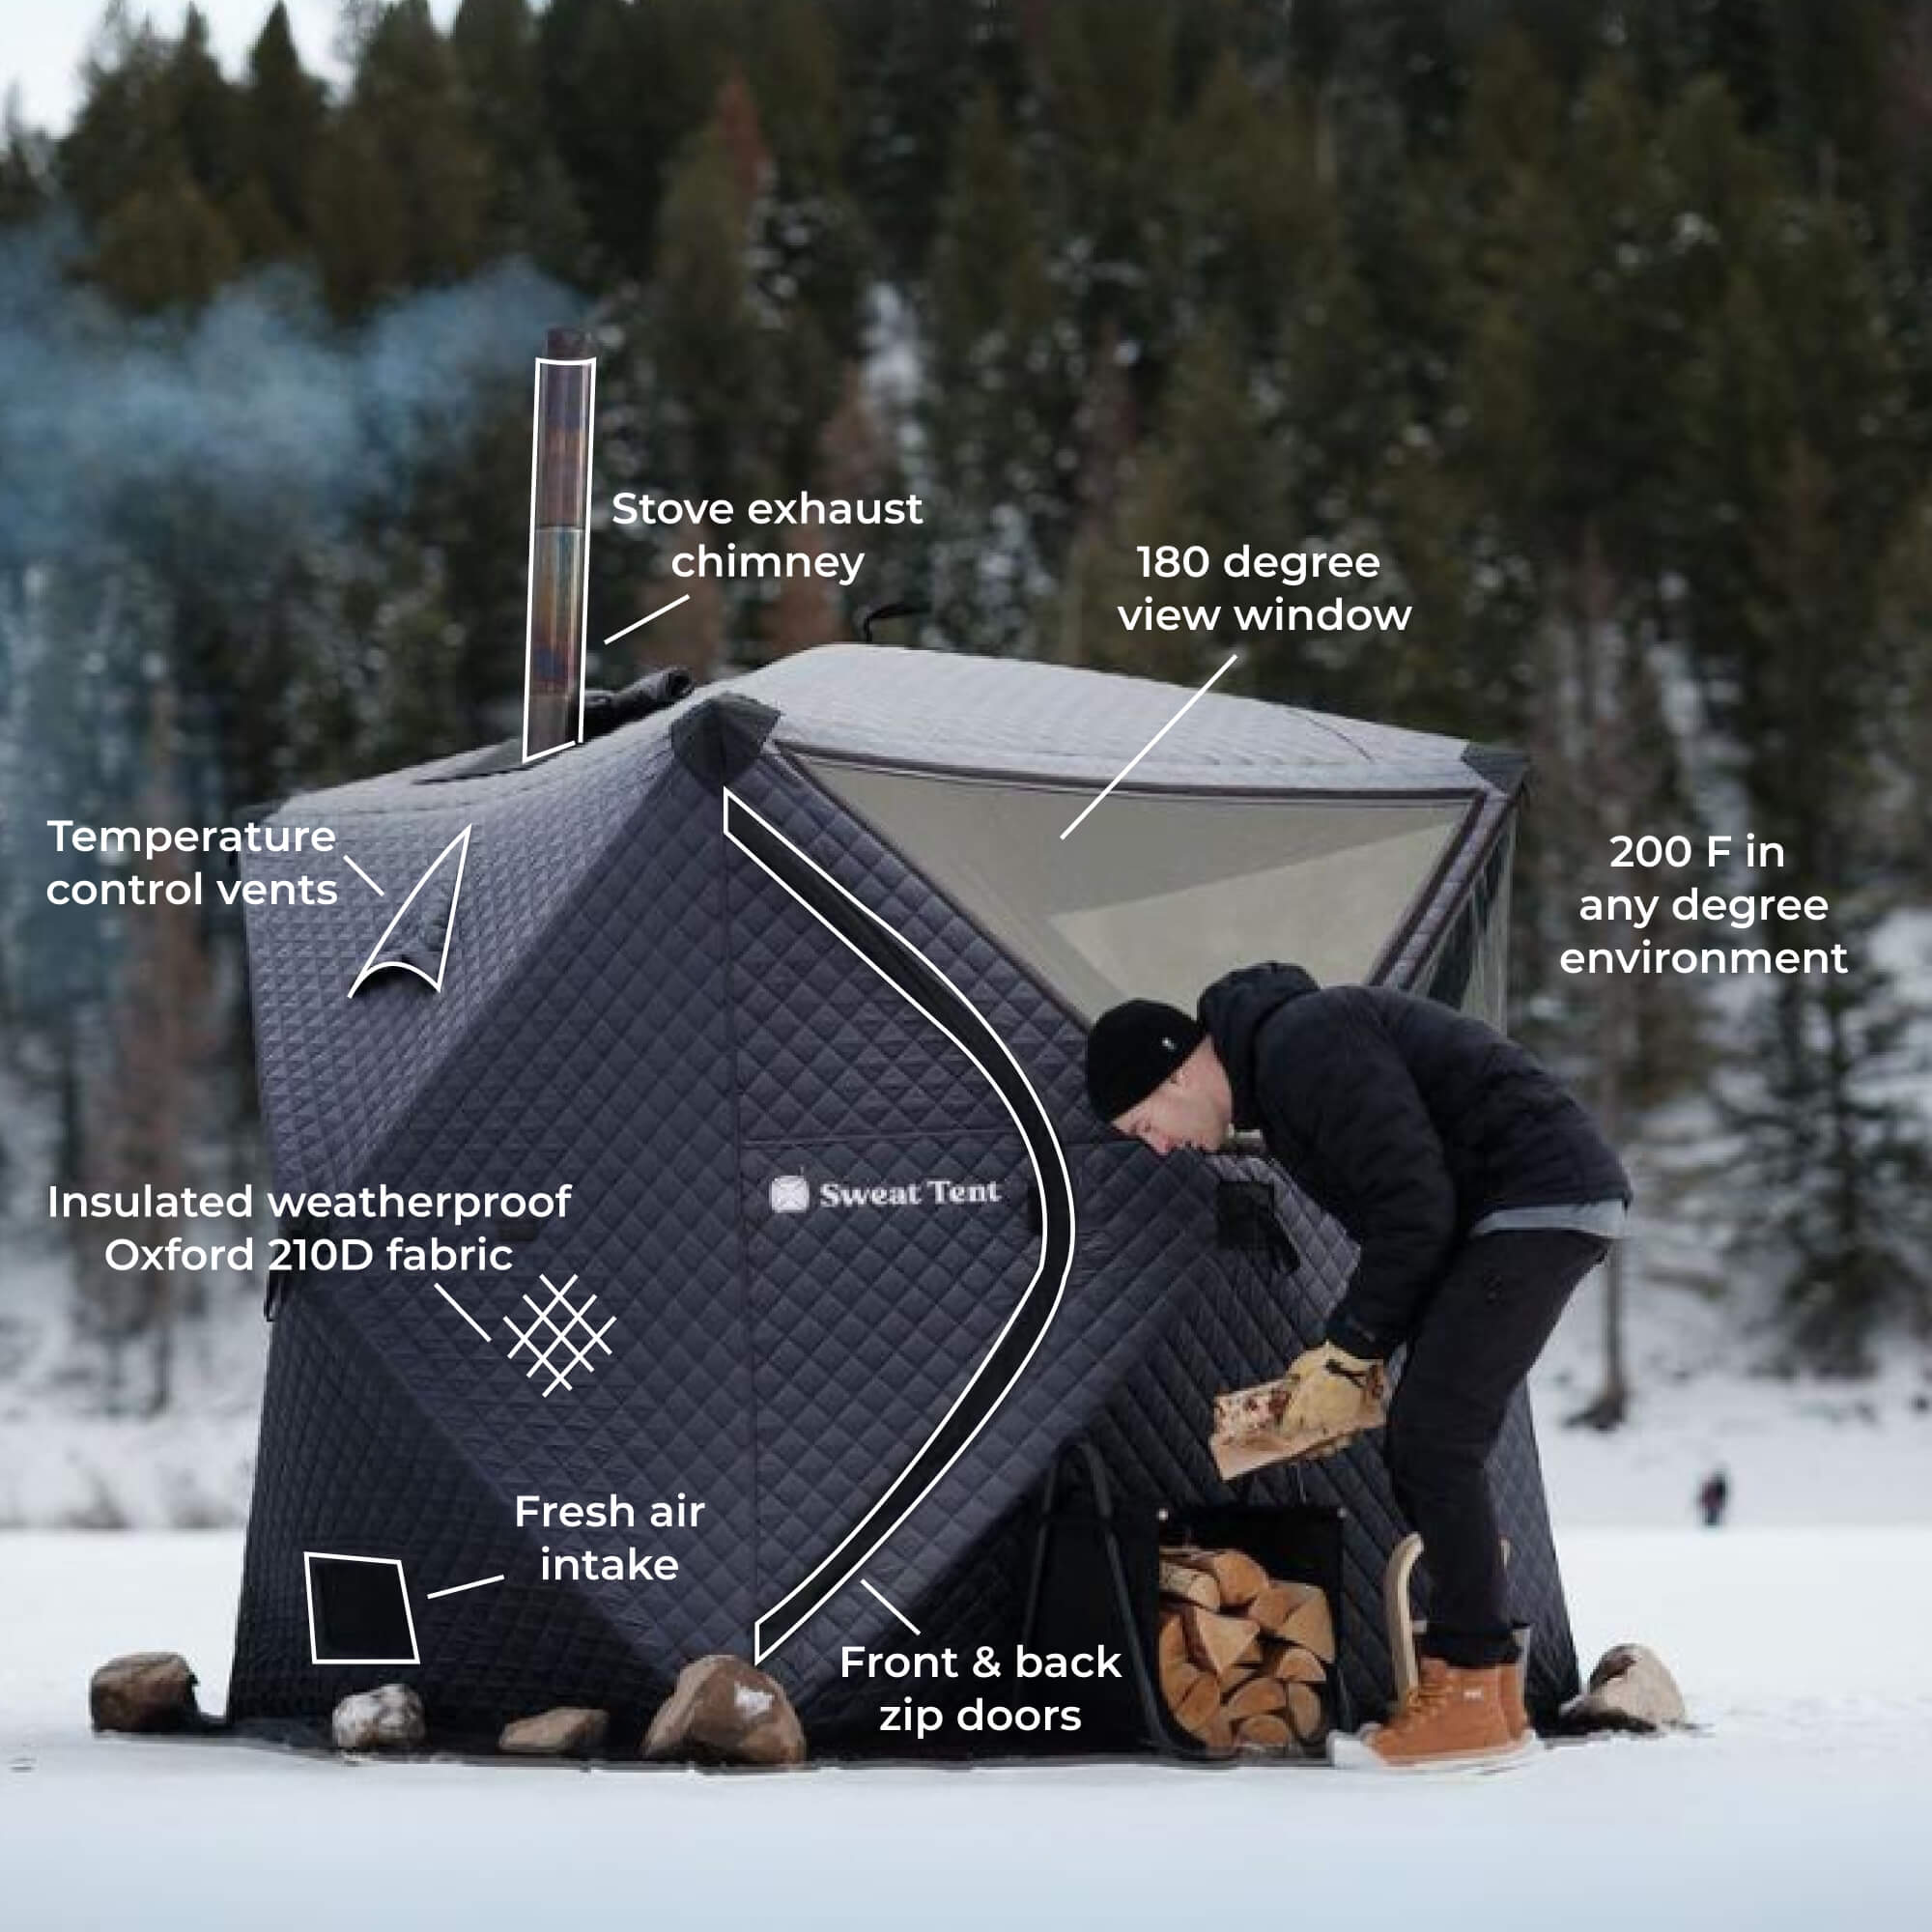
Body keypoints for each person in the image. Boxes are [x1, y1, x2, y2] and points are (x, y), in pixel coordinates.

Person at [1085, 962, 1630, 1772]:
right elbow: (1404, 1230)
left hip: (1532, 1199)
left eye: (1145, 1125)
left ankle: (1473, 1692)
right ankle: (1489, 1698)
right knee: (1425, 1439)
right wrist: (1352, 1370)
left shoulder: (1303, 1047)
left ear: (1177, 1073)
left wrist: (1351, 1350)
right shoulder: (1283, 1078)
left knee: (1436, 1442)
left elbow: (1414, 1210)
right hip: (1505, 1212)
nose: (1160, 1147)